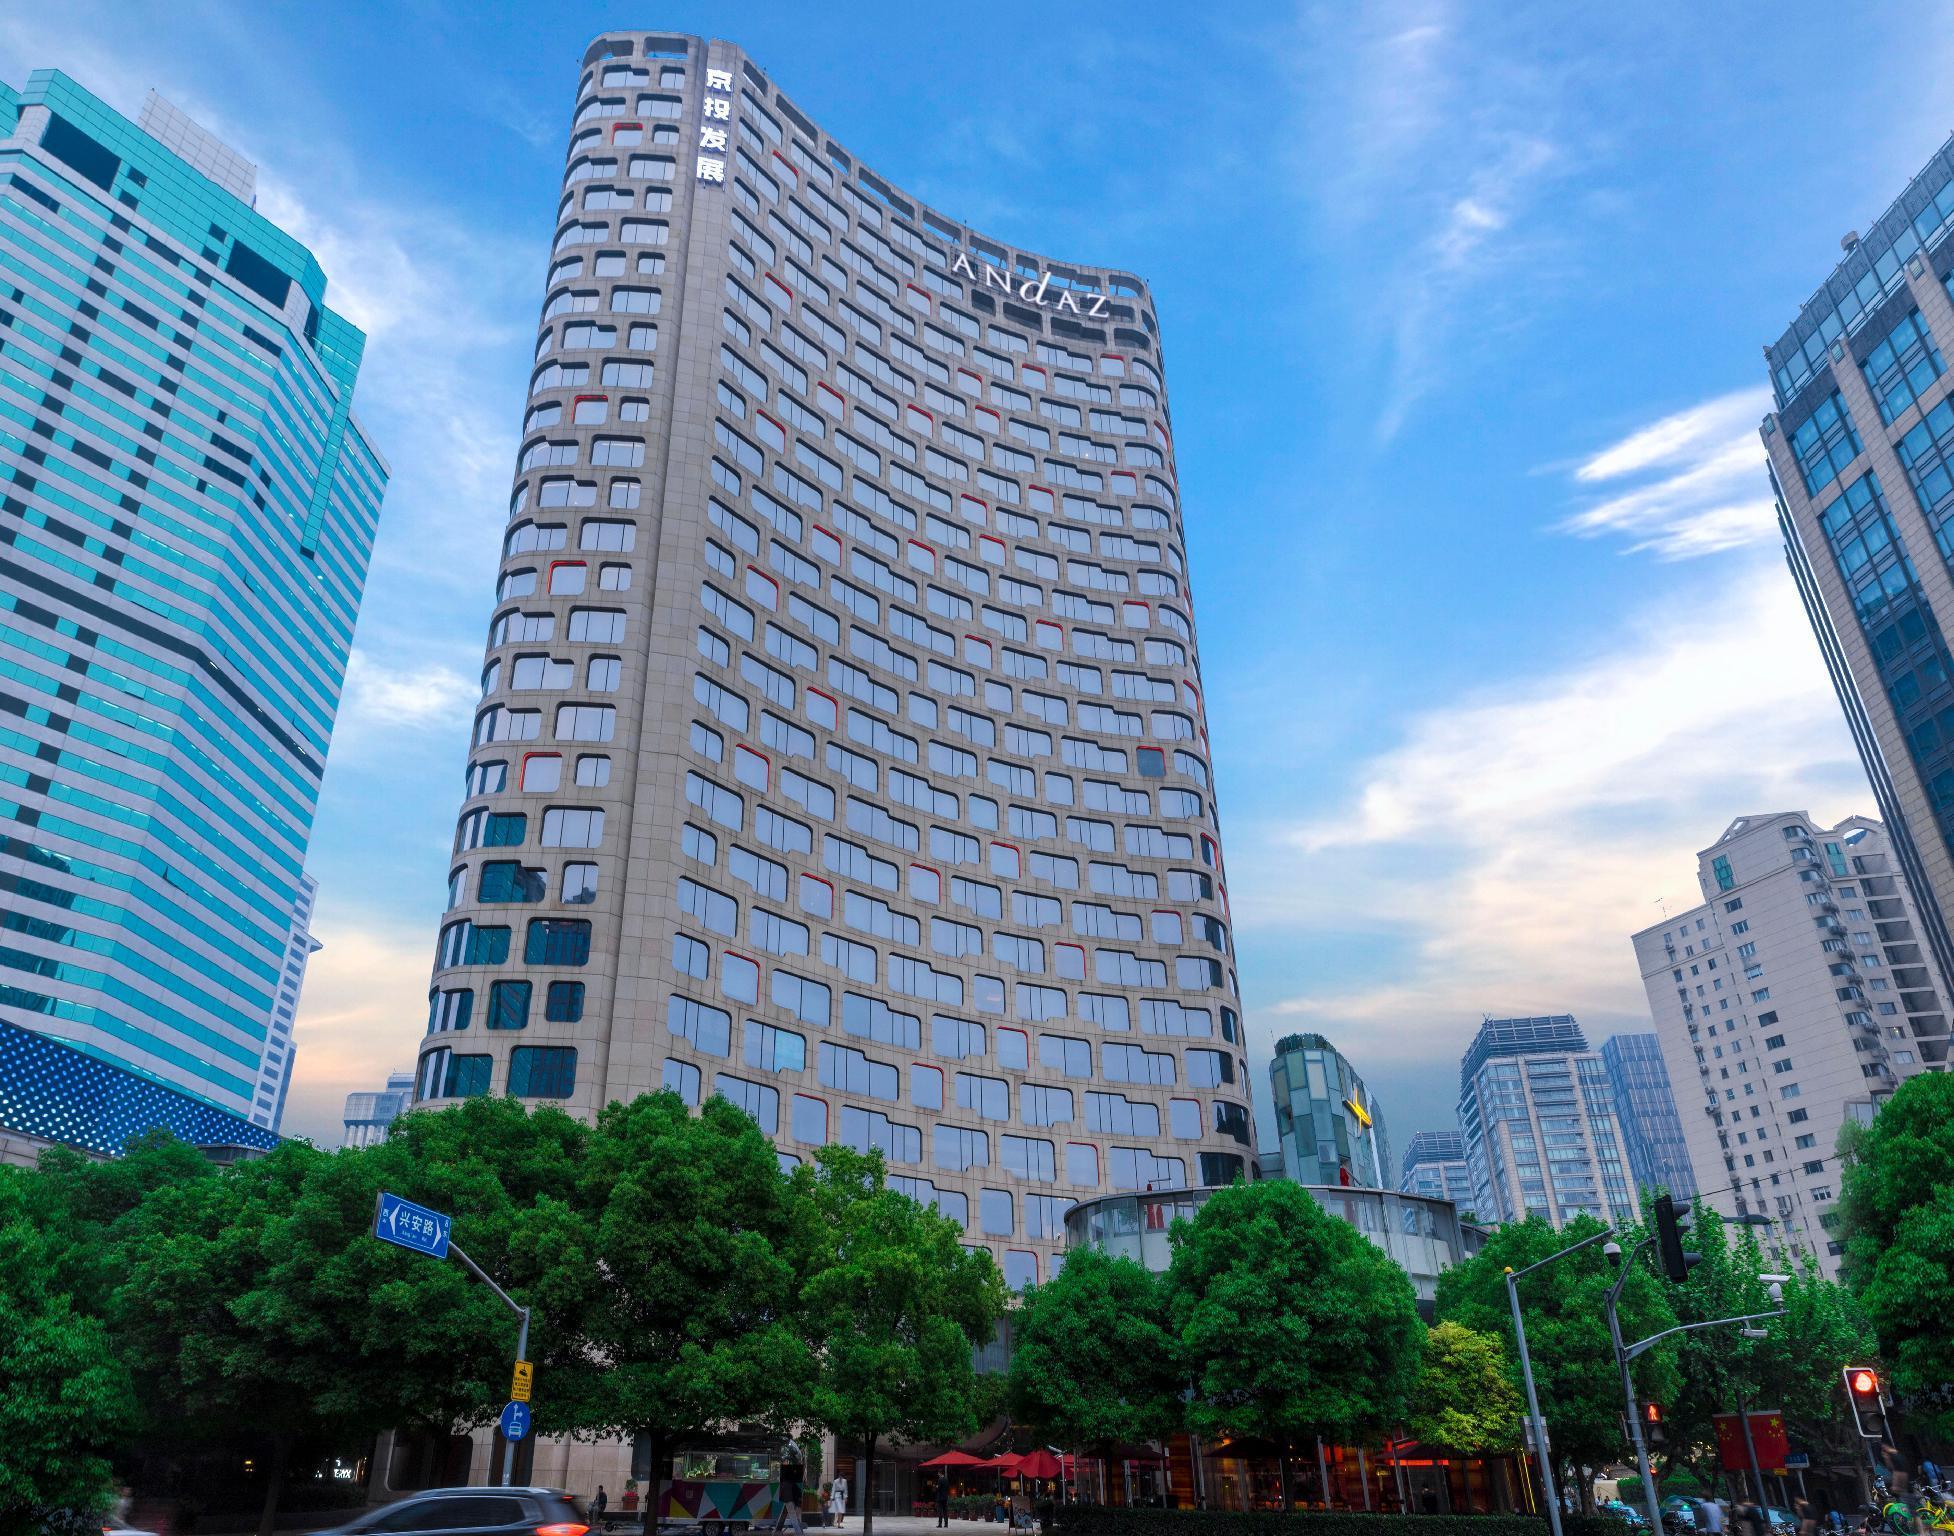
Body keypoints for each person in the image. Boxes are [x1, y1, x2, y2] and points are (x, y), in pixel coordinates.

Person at [774, 1443, 806, 1535]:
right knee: (793, 1513)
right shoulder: (786, 1472)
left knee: (793, 1512)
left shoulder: (788, 1472)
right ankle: (799, 1532)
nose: (786, 1462)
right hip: (788, 1496)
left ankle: (778, 1530)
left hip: (789, 1496)